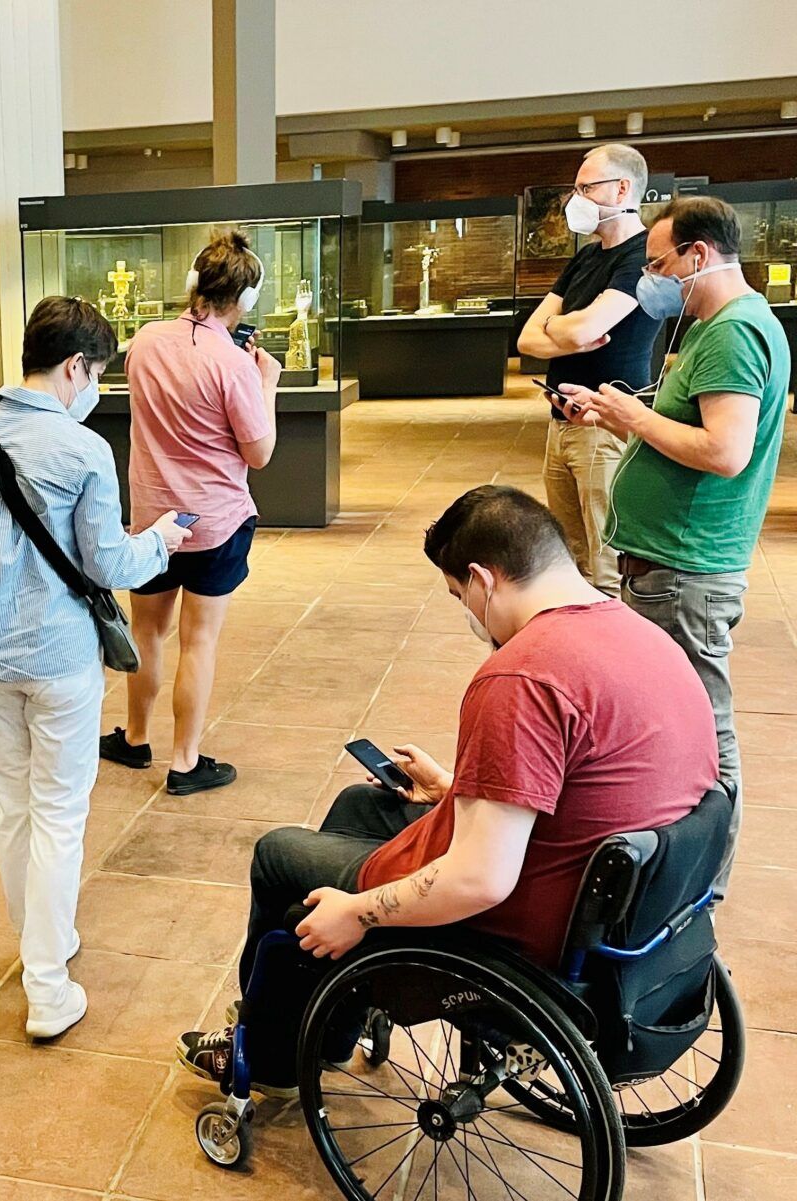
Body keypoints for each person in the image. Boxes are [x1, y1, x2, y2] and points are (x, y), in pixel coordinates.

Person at [175, 485, 718, 1096]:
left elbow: (480, 881)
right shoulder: (643, 638)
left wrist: (356, 914)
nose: (466, 610)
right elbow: (589, 784)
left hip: (523, 922)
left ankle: (274, 1053)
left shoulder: (522, 675)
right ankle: (324, 1008)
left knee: (280, 856)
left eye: (460, 594)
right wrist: (455, 789)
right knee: (361, 804)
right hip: (619, 907)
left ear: (484, 579)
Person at [0, 297, 191, 1038]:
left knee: (15, 804)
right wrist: (163, 538)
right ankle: (47, 983)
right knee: (60, 812)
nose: (95, 388)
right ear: (76, 367)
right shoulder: (83, 451)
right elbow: (111, 561)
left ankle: (40, 941)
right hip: (60, 655)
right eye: (97, 373)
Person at [555, 194, 790, 899]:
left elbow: (724, 450)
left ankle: (703, 885)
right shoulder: (716, 326)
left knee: (704, 731)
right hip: (671, 562)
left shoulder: (732, 331)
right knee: (675, 720)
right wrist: (616, 415)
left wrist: (628, 408)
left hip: (687, 569)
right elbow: (684, 439)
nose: (652, 277)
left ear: (698, 256)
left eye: (658, 264)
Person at [100, 230, 281, 796]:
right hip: (216, 523)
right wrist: (265, 384)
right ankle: (184, 762)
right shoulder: (233, 363)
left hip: (152, 522)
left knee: (147, 633)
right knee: (198, 642)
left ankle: (134, 739)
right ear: (245, 302)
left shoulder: (145, 341)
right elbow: (259, 453)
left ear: (192, 285)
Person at [517, 143, 661, 597]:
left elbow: (587, 331)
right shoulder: (585, 258)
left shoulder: (642, 256)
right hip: (560, 422)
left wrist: (559, 329)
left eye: (586, 188)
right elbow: (527, 339)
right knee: (568, 558)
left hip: (605, 422)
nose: (575, 200)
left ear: (623, 188)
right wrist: (569, 329)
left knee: (606, 564)